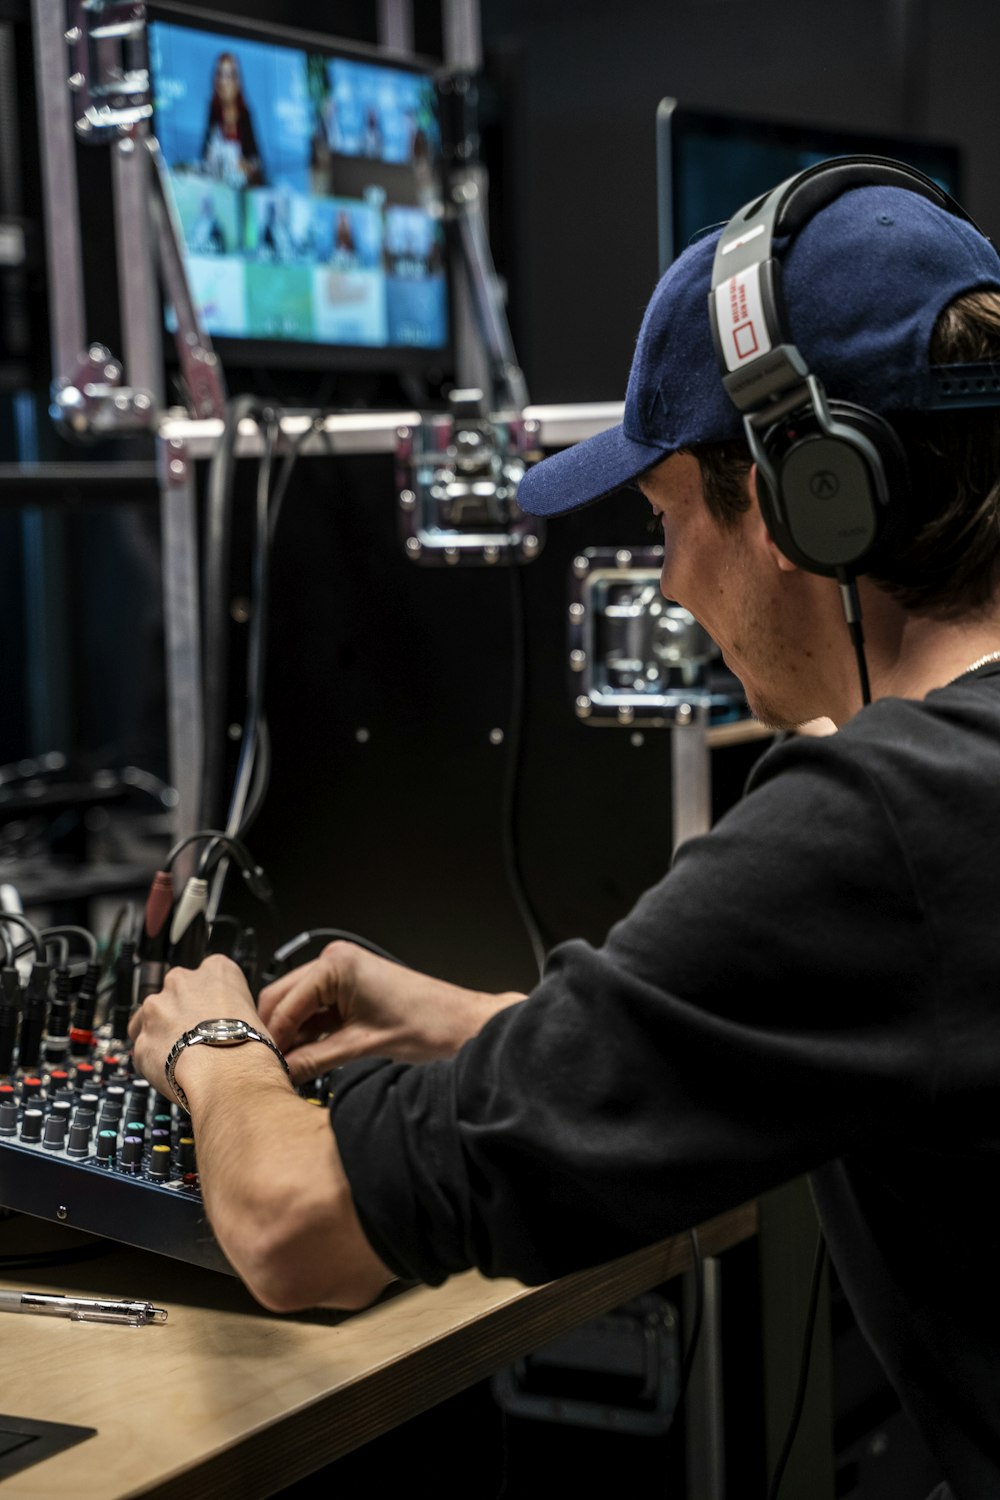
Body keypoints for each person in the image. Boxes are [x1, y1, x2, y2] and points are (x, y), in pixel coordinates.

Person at [131, 161, 1000, 1499]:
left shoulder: (883, 821)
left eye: (662, 523)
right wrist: (476, 1023)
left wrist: (215, 1046)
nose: (665, 582)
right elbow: (830, 1013)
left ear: (797, 502)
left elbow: (291, 1223)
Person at [201, 52, 264, 188]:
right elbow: (204, 155)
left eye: (229, 76)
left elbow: (257, 163)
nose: (223, 82)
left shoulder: (245, 115)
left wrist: (247, 167)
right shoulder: (213, 113)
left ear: (237, 81)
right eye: (220, 75)